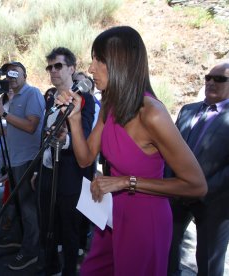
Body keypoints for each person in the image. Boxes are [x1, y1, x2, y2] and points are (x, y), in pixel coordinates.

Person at [55, 26, 207, 276]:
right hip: (112, 214)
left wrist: (126, 182)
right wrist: (74, 118)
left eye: (99, 60)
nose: (91, 68)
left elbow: (196, 185)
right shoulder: (109, 104)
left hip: (146, 220)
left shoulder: (152, 113)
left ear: (120, 63)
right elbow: (84, 159)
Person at [167, 62, 229, 276]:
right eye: (208, 77)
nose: (211, 82)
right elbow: (169, 151)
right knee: (167, 251)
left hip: (215, 202)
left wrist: (201, 189)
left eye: (220, 79)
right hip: (176, 196)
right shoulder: (188, 110)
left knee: (209, 263)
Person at [0, 61, 45, 270]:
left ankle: (31, 252)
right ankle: (19, 239)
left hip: (28, 159)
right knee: (20, 204)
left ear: (24, 75)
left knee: (28, 209)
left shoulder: (32, 93)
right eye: (8, 73)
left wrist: (3, 114)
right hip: (14, 158)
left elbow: (31, 126)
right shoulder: (10, 98)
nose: (11, 76)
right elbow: (13, 127)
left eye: (15, 72)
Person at [39, 47, 95, 275]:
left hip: (70, 173)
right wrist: (36, 171)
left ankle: (70, 270)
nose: (53, 71)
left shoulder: (85, 99)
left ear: (72, 68)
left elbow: (86, 133)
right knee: (47, 224)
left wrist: (67, 138)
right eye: (50, 67)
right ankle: (51, 267)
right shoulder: (50, 96)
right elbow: (44, 134)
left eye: (58, 66)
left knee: (70, 229)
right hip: (46, 171)